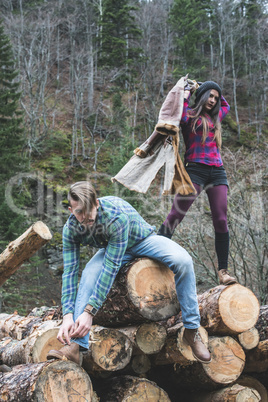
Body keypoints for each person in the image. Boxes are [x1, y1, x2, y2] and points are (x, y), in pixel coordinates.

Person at [47, 181, 211, 365]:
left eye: (88, 210)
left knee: (183, 261)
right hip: (112, 248)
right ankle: (75, 346)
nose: (84, 217)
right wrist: (68, 315)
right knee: (88, 276)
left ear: (97, 204)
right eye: (78, 212)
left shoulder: (116, 218)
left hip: (142, 241)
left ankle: (191, 329)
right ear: (71, 210)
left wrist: (89, 312)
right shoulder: (70, 229)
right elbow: (69, 273)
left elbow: (111, 268)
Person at [158, 81, 237, 285]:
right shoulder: (189, 115)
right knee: (176, 214)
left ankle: (223, 271)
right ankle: (155, 252)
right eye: (209, 96)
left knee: (221, 220)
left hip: (217, 171)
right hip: (195, 170)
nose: (213, 100)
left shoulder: (216, 117)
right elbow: (179, 113)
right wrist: (189, 91)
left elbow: (226, 106)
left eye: (215, 97)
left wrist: (209, 87)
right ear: (201, 96)